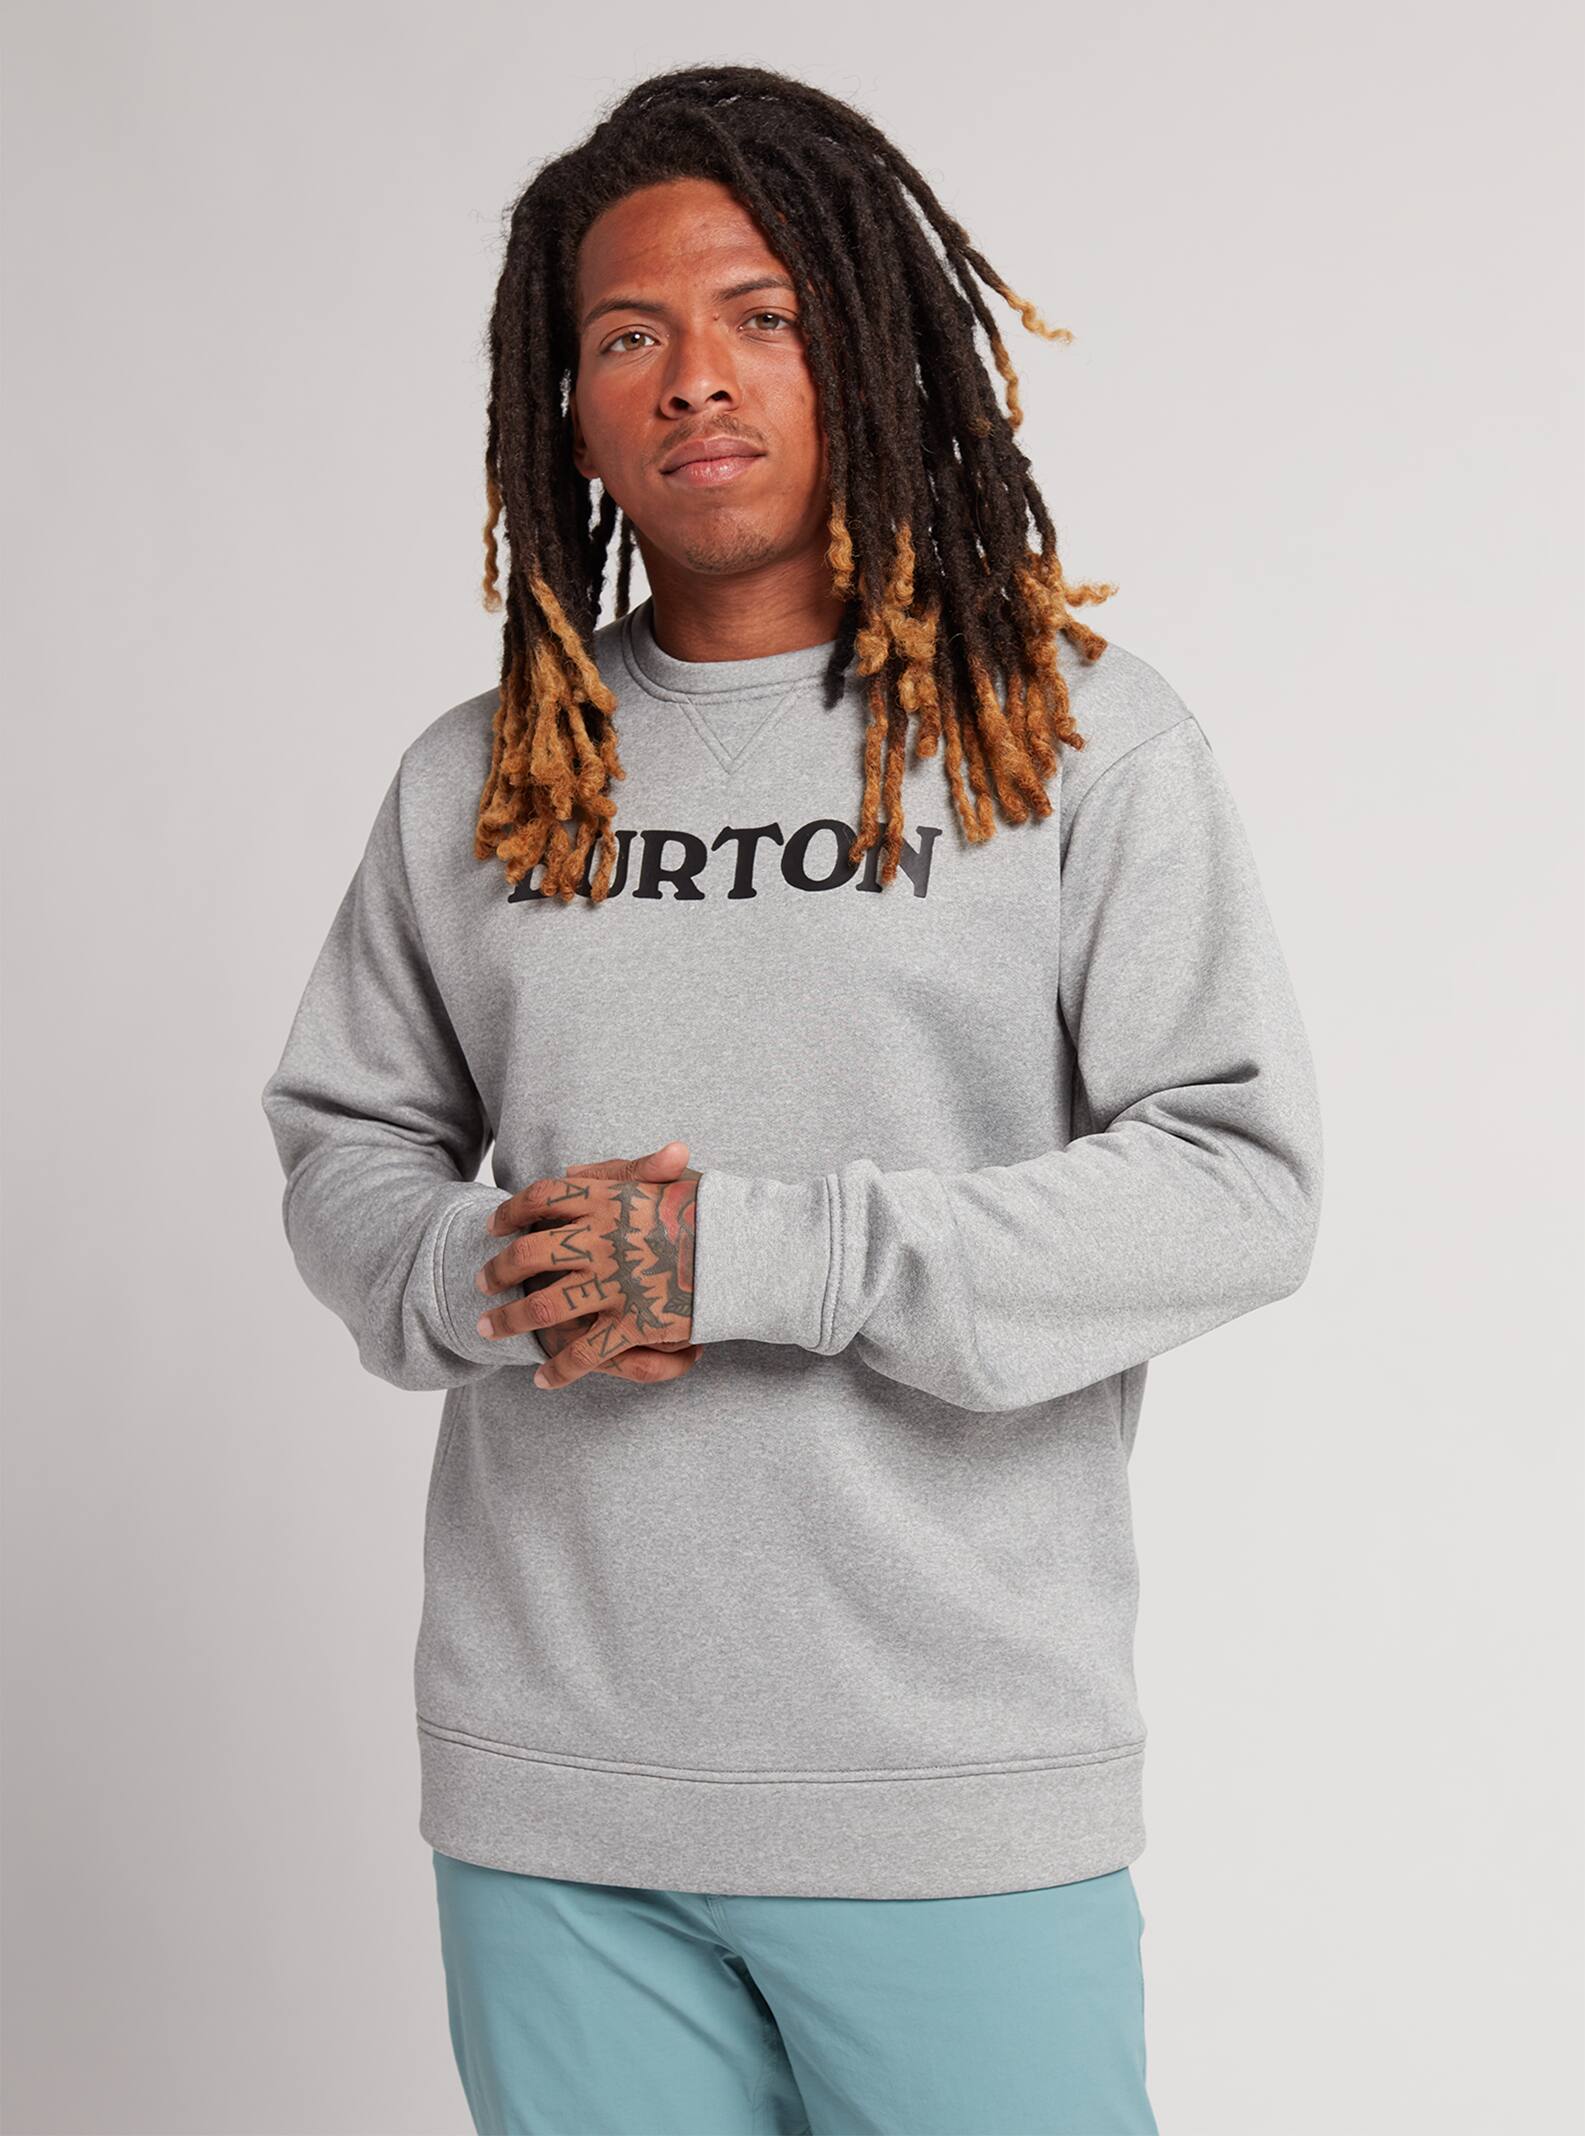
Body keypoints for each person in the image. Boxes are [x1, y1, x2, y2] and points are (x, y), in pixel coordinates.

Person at [260, 61, 1323, 2136]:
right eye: (625, 336)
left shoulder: (1069, 742)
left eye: (761, 313)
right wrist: (486, 1270)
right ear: (564, 404)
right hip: (552, 1788)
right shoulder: (487, 774)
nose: (694, 378)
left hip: (945, 1780)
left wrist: (756, 1258)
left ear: (866, 342)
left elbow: (1237, 1182)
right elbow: (347, 1141)